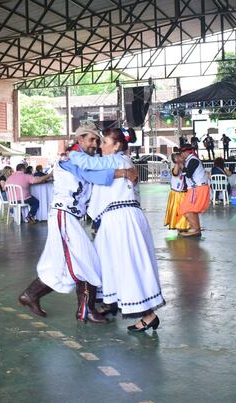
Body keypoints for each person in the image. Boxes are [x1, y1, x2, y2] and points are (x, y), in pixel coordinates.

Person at [18, 123, 136, 323]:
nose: (95, 144)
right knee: (88, 261)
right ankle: (85, 309)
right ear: (80, 139)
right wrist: (122, 173)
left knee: (64, 265)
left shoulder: (86, 159)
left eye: (98, 140)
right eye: (91, 139)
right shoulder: (69, 159)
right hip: (64, 215)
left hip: (71, 217)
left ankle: (32, 295)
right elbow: (89, 175)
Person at [86, 127, 165, 332]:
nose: (99, 146)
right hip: (121, 217)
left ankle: (148, 315)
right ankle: (111, 302)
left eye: (104, 142)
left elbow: (86, 168)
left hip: (121, 219)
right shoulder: (123, 162)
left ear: (117, 145)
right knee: (110, 261)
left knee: (127, 264)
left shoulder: (113, 161)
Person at [177, 145, 210, 237]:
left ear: (187, 152)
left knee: (187, 209)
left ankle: (195, 229)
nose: (181, 155)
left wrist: (181, 164)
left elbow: (188, 174)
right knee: (190, 209)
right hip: (196, 188)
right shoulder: (190, 160)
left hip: (198, 188)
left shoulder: (193, 160)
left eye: (182, 153)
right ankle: (195, 228)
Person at [164, 153, 188, 231]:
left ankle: (184, 224)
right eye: (179, 157)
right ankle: (177, 224)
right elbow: (175, 173)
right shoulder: (175, 167)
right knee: (177, 210)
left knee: (185, 210)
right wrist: (178, 163)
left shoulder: (185, 166)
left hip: (184, 192)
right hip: (177, 193)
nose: (182, 157)